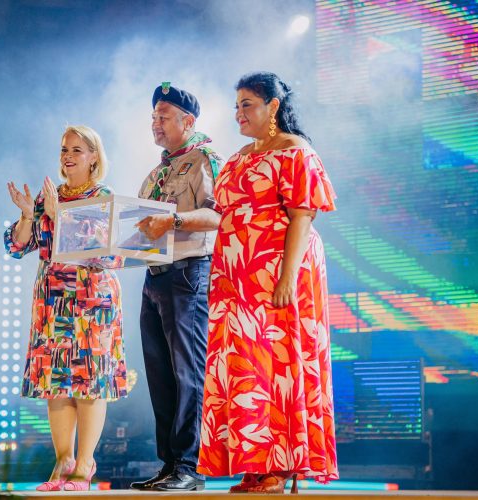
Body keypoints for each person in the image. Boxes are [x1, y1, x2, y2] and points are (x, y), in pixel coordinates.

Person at [197, 71, 339, 493]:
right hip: (236, 279)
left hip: (277, 271)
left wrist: (287, 277)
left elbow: (302, 215)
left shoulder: (296, 152)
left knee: (276, 364)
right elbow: (224, 214)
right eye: (236, 105)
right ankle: (256, 463)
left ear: (272, 107)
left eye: (247, 104)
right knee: (244, 370)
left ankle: (280, 465)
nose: (238, 112)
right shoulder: (240, 156)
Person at [4, 125, 127, 492]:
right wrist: (29, 215)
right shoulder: (48, 197)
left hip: (91, 303)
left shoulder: (103, 198)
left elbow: (109, 253)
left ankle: (84, 464)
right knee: (55, 384)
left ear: (93, 157)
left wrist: (59, 218)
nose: (68, 156)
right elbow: (16, 247)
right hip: (52, 302)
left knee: (88, 383)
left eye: (76, 149)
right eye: (63, 149)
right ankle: (63, 460)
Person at [131, 83, 224, 492]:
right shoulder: (157, 171)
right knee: (160, 374)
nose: (155, 123)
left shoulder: (205, 160)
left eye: (164, 115)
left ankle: (189, 465)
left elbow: (219, 215)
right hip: (154, 276)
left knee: (188, 371)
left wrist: (175, 221)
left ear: (188, 121)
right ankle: (170, 465)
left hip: (188, 273)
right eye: (153, 115)